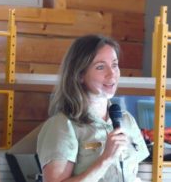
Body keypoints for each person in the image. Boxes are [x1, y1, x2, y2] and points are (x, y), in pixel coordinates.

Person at [37, 34, 149, 182]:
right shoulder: (62, 125)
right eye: (100, 67)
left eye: (114, 65)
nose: (112, 74)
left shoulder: (126, 119)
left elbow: (134, 174)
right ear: (80, 75)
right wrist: (106, 158)